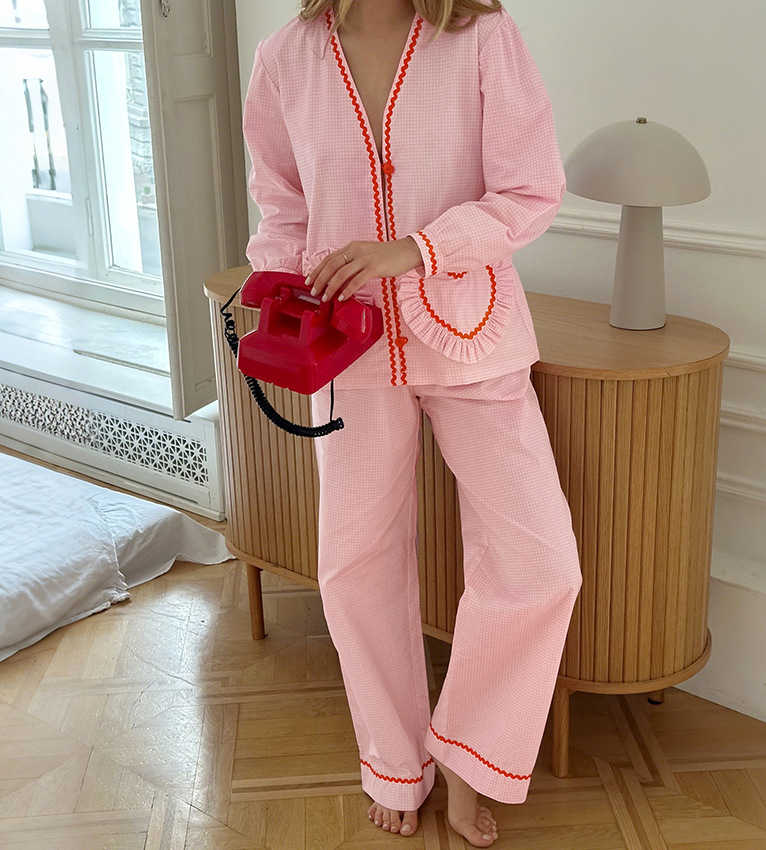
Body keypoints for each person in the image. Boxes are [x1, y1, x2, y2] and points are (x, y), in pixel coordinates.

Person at [242, 0, 582, 844]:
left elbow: (529, 188)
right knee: (355, 561)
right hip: (342, 344)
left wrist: (417, 251)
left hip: (472, 332)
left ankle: (471, 759)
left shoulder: (481, 35)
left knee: (541, 561)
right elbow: (281, 202)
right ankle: (394, 762)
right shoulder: (284, 57)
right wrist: (276, 289)